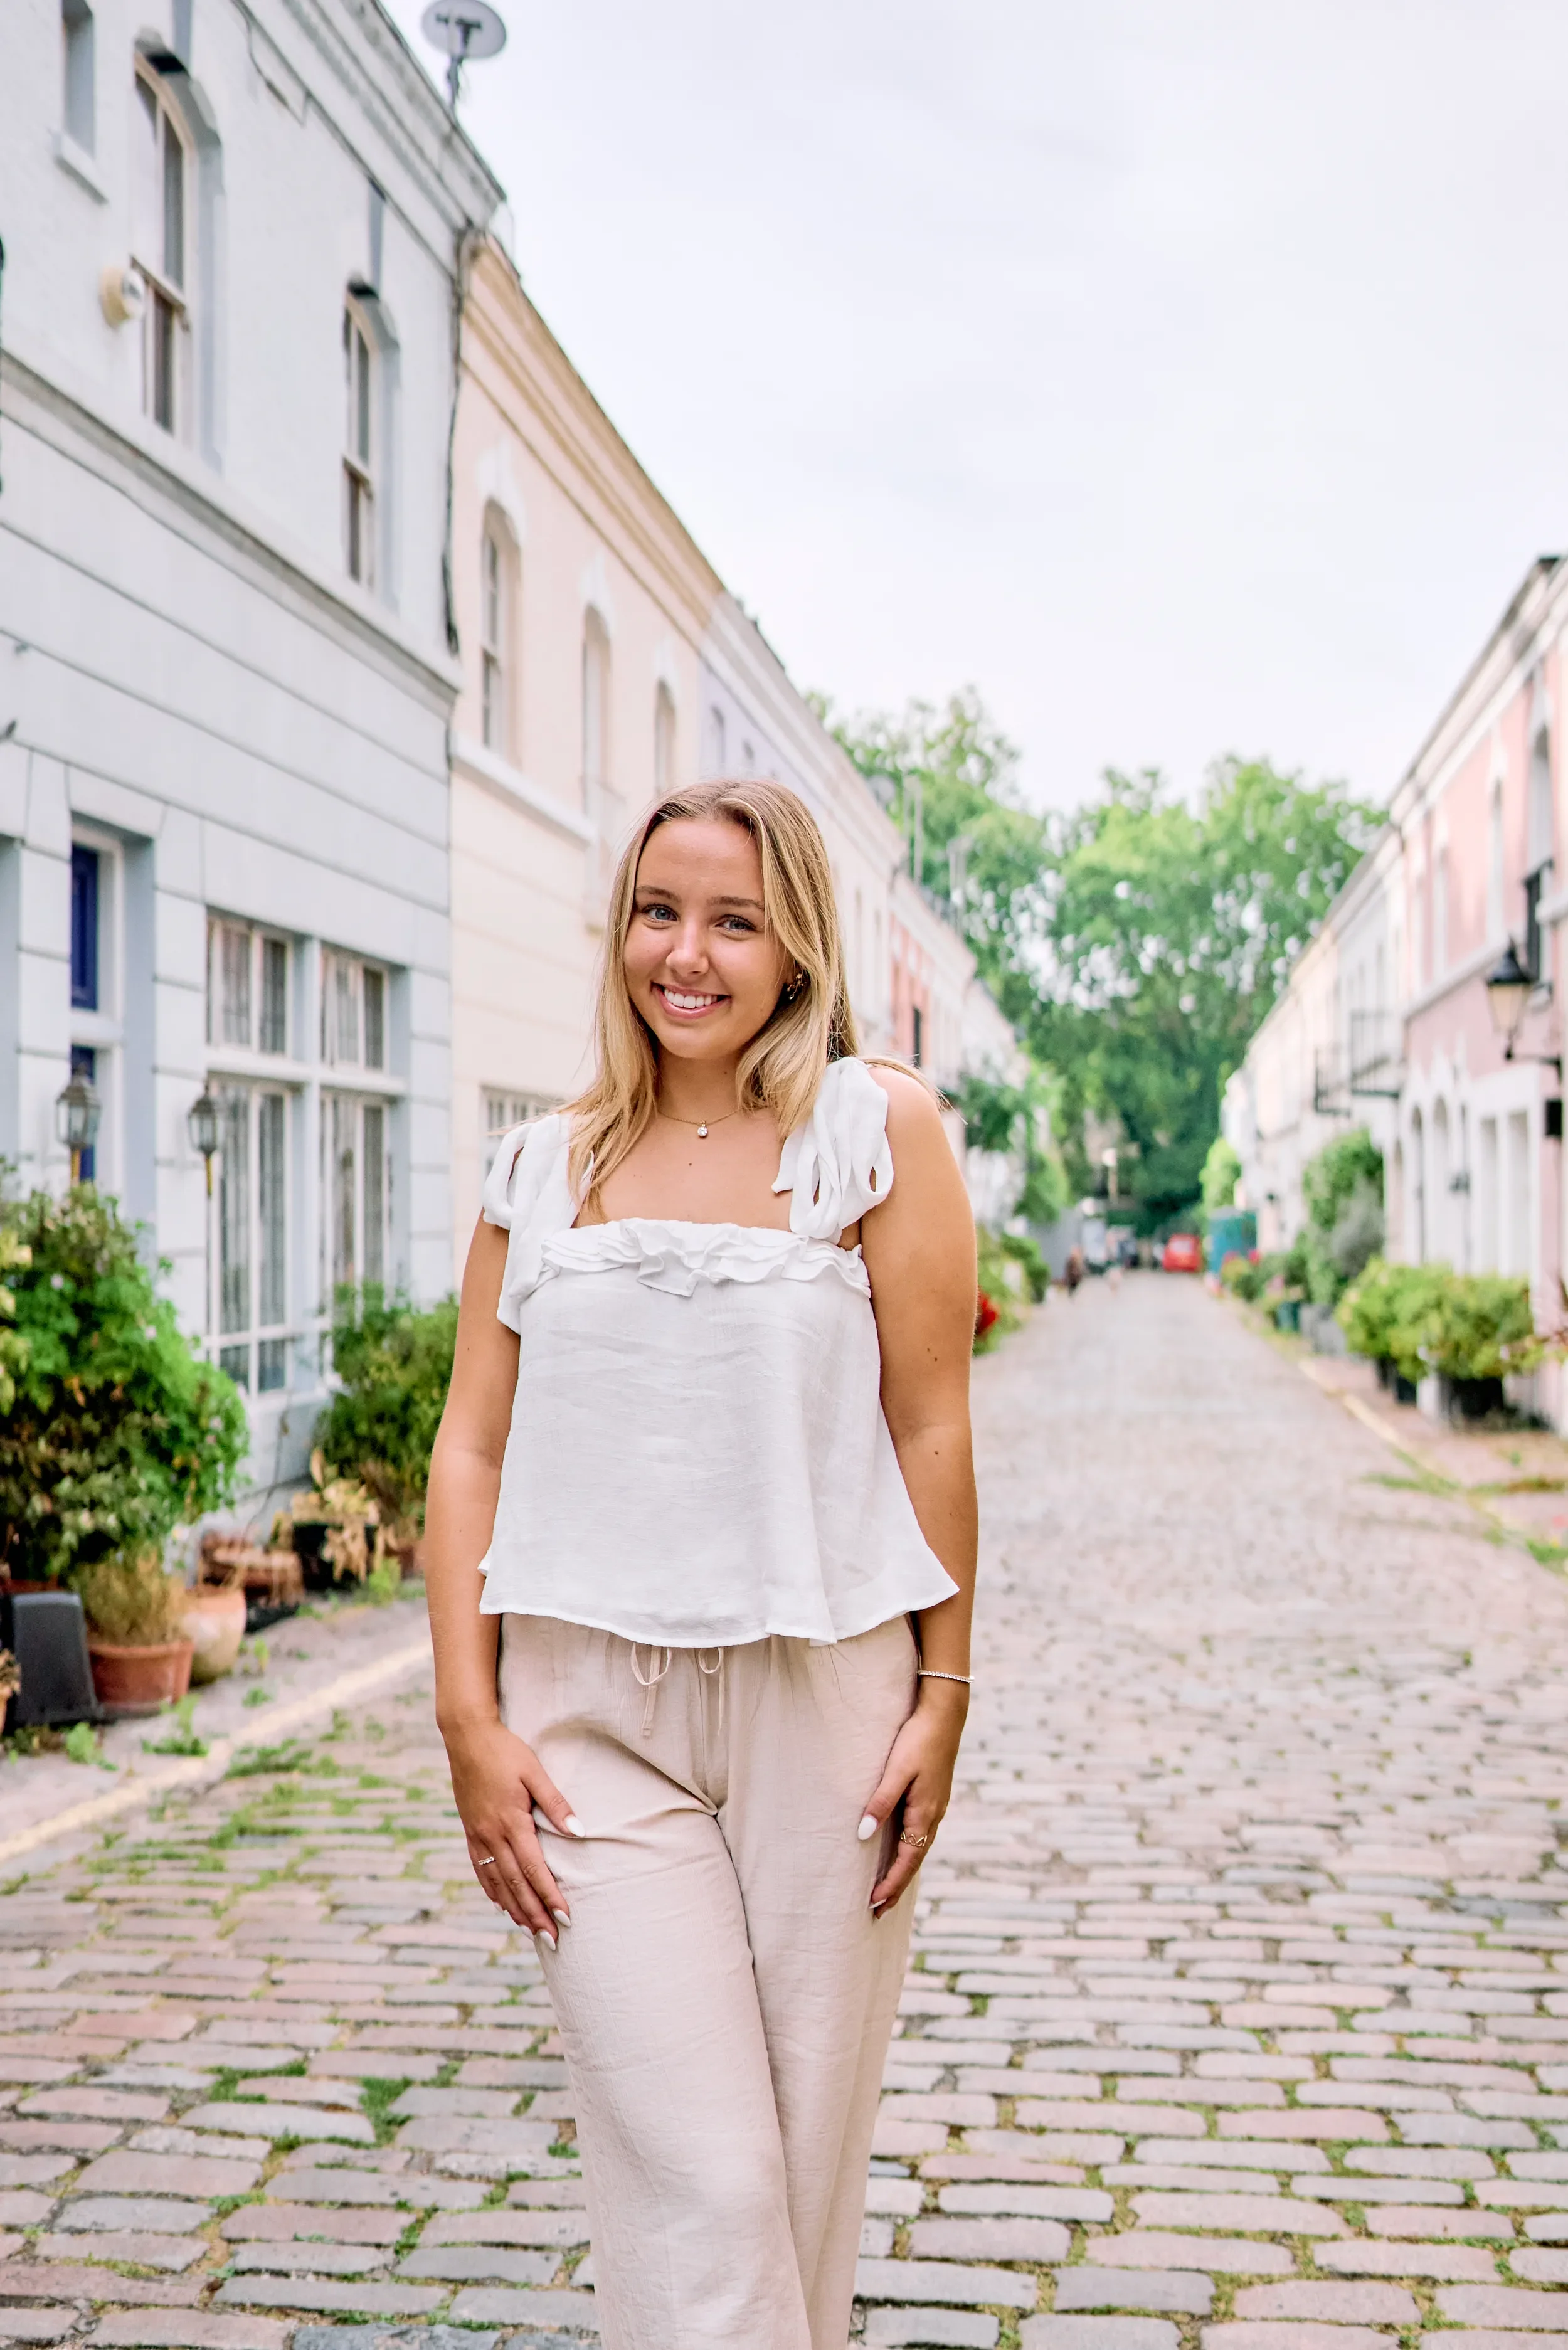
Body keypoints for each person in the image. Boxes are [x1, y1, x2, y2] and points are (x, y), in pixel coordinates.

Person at [423, 778, 978, 2350]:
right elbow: (468, 1448)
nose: (688, 953)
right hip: (588, 1718)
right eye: (659, 912)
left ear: (796, 946)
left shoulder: (879, 1132)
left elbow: (930, 1427)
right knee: (709, 2181)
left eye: (734, 920)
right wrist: (468, 1720)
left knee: (796, 2177)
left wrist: (944, 1688)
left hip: (830, 1700)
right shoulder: (537, 1171)